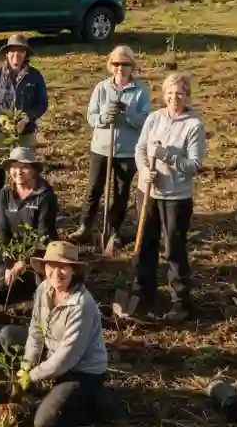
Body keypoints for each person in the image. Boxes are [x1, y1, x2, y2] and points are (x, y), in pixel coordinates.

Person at [1, 241, 108, 427]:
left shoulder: (81, 305)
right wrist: (26, 366)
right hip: (53, 355)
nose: (56, 273)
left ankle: (86, 403)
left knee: (43, 424)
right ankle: (52, 390)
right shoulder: (44, 289)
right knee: (8, 335)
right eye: (51, 266)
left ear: (74, 271)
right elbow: (36, 330)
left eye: (63, 267)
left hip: (81, 370)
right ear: (44, 268)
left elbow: (66, 358)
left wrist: (32, 376)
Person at [132, 72, 206, 322]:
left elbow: (194, 165)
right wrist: (144, 171)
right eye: (170, 93)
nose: (174, 98)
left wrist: (167, 157)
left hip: (176, 197)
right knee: (145, 246)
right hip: (149, 192)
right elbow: (141, 148)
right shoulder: (154, 118)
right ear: (163, 95)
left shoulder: (193, 125)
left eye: (180, 94)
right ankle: (143, 294)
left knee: (173, 249)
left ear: (187, 96)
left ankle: (181, 303)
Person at [71, 45, 150, 249]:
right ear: (110, 65)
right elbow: (91, 116)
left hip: (127, 150)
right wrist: (104, 118)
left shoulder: (141, 91)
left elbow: (145, 120)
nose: (120, 68)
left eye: (125, 64)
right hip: (101, 148)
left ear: (132, 66)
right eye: (116, 63)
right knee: (94, 188)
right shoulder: (101, 88)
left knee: (121, 192)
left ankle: (113, 230)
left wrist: (127, 114)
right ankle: (85, 227)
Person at [0, 34, 48, 227]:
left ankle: (25, 211)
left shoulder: (34, 76)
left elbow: (42, 103)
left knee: (24, 171)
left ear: (26, 54)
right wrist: (0, 117)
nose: (16, 55)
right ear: (7, 53)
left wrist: (27, 117)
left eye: (20, 51)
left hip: (24, 132)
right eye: (12, 51)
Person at [0, 147, 58, 303]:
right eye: (14, 167)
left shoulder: (45, 195)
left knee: (46, 298)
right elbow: (2, 231)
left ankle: (33, 284)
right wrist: (10, 264)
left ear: (33, 170)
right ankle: (22, 285)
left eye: (24, 167)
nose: (18, 172)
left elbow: (43, 236)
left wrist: (24, 262)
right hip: (14, 255)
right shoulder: (5, 193)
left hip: (41, 256)